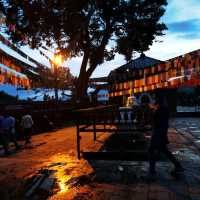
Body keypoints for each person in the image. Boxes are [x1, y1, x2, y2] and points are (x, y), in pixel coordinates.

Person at [148, 95, 183, 178]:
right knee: (164, 150)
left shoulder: (159, 109)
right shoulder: (164, 108)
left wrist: (152, 111)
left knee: (151, 150)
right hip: (162, 132)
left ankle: (152, 170)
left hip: (158, 133)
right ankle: (178, 165)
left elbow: (154, 120)